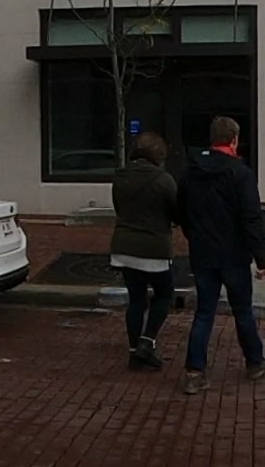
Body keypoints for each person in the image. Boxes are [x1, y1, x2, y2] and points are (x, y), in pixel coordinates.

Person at [182, 117, 265, 394]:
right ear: (234, 140)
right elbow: (251, 218)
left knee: (204, 311)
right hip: (234, 254)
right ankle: (255, 362)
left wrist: (194, 237)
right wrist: (261, 257)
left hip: (203, 253)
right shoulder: (240, 174)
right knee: (242, 310)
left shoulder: (191, 172)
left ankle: (195, 371)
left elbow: (182, 211)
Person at [112, 127, 186, 371]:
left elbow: (118, 208)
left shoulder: (120, 177)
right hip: (155, 248)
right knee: (164, 294)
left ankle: (134, 352)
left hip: (123, 246)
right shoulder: (163, 180)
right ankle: (147, 340)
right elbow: (176, 213)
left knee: (136, 299)